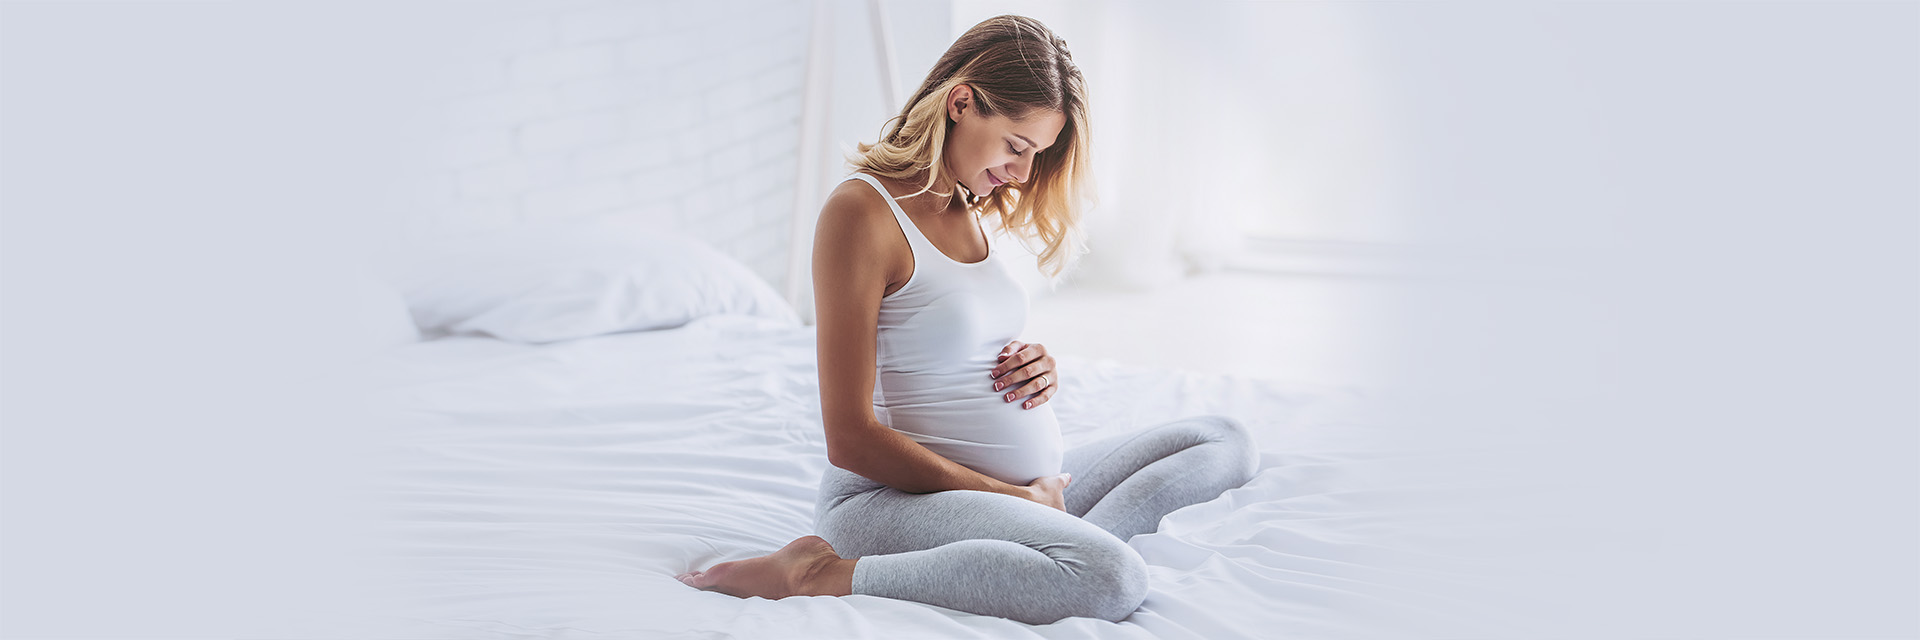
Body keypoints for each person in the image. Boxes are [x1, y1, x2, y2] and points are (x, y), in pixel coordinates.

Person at [676, 15, 1258, 625]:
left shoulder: (966, 203)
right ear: (961, 103)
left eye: (1036, 155)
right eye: (1016, 146)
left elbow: (950, 340)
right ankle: (820, 574)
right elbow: (849, 439)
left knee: (1222, 440)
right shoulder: (861, 213)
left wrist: (1038, 367)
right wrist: (1013, 499)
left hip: (1013, 493)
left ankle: (1040, 543)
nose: (1024, 174)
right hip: (889, 501)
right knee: (1110, 578)